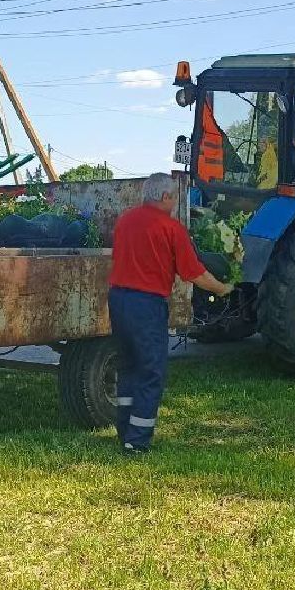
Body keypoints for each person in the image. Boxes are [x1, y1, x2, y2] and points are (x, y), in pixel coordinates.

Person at [108, 173, 234, 453]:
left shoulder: (126, 220)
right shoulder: (171, 228)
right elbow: (195, 274)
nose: (175, 203)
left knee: (128, 367)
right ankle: (137, 441)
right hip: (147, 304)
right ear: (165, 197)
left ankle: (125, 430)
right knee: (150, 370)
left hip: (118, 299)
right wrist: (223, 288)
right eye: (174, 198)